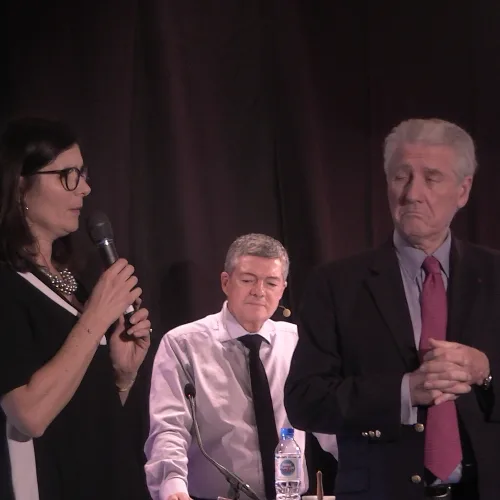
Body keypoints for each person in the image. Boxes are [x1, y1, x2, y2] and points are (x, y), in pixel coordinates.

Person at [284, 118, 500, 500]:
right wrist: (404, 392)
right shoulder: (335, 284)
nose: (412, 193)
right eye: (401, 176)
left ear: (463, 190)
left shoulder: (495, 275)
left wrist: (486, 371)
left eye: (432, 178)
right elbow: (305, 400)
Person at [0, 117, 152, 500]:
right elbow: (30, 415)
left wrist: (121, 376)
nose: (84, 188)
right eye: (67, 175)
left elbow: (84, 411)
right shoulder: (7, 284)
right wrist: (96, 317)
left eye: (82, 173)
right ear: (20, 184)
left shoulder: (72, 282)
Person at [145, 233, 337, 500]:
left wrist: (370, 463)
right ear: (226, 282)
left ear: (282, 289)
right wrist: (172, 486)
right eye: (248, 280)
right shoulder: (183, 344)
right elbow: (169, 428)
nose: (259, 291)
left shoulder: (297, 342)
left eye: (271, 282)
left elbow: (327, 421)